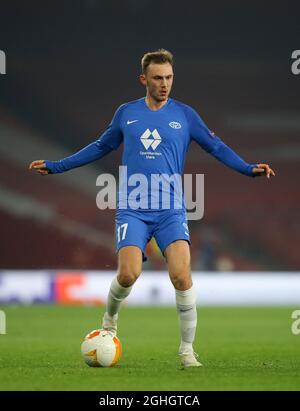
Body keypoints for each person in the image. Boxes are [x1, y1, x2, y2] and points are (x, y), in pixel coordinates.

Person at [29, 49, 275, 368]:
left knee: (181, 276)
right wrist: (57, 166)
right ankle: (109, 322)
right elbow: (101, 146)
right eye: (158, 78)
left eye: (169, 78)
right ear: (143, 79)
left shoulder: (185, 115)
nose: (164, 84)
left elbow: (215, 146)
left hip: (171, 209)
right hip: (133, 208)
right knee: (129, 274)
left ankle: (187, 350)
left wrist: (246, 168)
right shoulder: (126, 113)